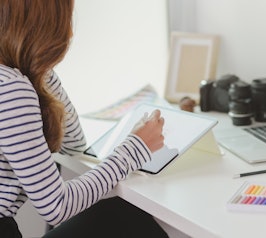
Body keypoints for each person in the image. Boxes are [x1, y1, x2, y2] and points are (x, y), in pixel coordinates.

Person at [0, 1, 169, 237]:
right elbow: (56, 207)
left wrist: (37, 69)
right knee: (125, 217)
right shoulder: (11, 89)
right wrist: (135, 148)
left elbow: (74, 144)